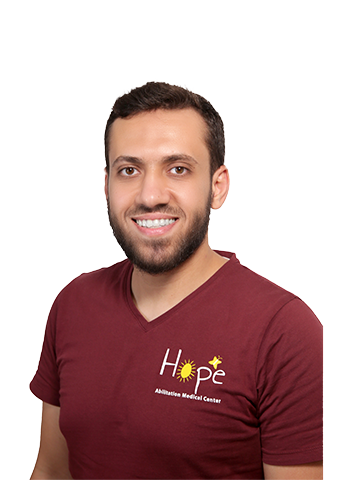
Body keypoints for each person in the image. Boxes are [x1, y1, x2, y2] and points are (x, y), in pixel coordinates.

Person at [29, 81, 323, 480]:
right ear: (106, 185)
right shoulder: (73, 304)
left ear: (217, 187)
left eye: (178, 168)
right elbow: (51, 471)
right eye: (129, 170)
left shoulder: (284, 331)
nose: (150, 195)